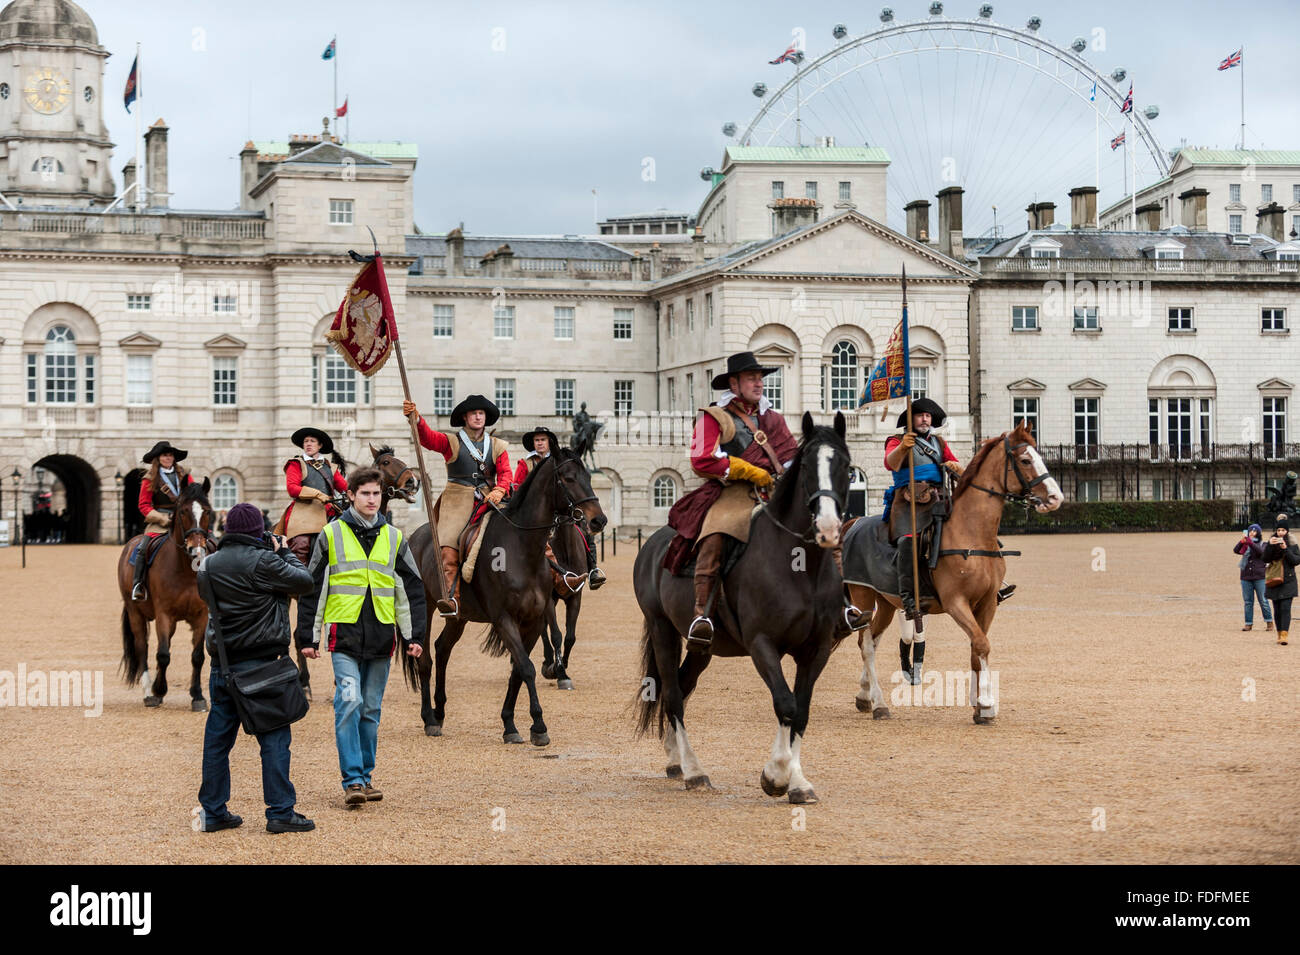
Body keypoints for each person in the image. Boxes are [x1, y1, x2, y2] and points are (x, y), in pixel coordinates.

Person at [295, 468, 427, 806]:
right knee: (349, 703)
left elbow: (411, 588)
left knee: (370, 710)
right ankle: (352, 779)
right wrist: (307, 637)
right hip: (344, 638)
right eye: (365, 493)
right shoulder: (331, 534)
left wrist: (415, 635)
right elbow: (312, 588)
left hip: (382, 638)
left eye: (377, 494)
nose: (372, 499)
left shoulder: (395, 537)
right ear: (351, 494)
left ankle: (366, 779)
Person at [664, 351, 799, 652]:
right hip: (732, 493)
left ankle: (836, 603)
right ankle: (702, 615)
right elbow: (701, 460)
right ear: (734, 383)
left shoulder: (773, 418)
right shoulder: (713, 416)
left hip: (773, 494)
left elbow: (789, 457)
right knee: (715, 536)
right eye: (752, 378)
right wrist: (747, 469)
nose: (758, 383)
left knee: (814, 528)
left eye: (760, 378)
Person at [196, 502, 316, 833]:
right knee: (275, 739)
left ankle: (212, 811)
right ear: (255, 532)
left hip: (222, 665)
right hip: (263, 666)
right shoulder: (265, 561)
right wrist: (283, 553)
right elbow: (305, 582)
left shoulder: (207, 564)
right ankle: (280, 812)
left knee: (217, 742)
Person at [402, 394, 511, 618]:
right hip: (457, 499)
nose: (478, 417)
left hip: (491, 497)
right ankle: (452, 597)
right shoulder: (452, 441)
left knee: (519, 528)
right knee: (449, 546)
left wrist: (500, 489)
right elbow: (429, 439)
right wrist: (417, 419)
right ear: (465, 417)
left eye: (481, 414)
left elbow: (506, 473)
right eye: (474, 414)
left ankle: (558, 576)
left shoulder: (498, 445)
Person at [516, 427, 606, 590]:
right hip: (536, 513)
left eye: (543, 440)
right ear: (533, 444)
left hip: (560, 510)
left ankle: (593, 570)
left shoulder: (558, 461)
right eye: (537, 440)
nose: (540, 443)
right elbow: (517, 487)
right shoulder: (525, 463)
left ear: (549, 443)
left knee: (584, 531)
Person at [131, 440, 196, 601]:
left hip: (184, 518)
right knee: (142, 548)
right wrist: (162, 518)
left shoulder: (185, 475)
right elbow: (143, 505)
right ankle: (138, 585)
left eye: (170, 455)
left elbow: (195, 496)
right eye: (164, 455)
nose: (168, 458)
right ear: (158, 458)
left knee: (207, 542)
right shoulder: (149, 478)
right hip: (160, 519)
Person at [281, 427, 349, 565]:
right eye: (306, 441)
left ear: (320, 445)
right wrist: (317, 494)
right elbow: (292, 489)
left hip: (329, 510)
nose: (308, 444)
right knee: (301, 544)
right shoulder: (296, 464)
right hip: (304, 511)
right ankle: (300, 572)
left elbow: (346, 488)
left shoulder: (330, 467)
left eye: (312, 441)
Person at [1263, 514, 1299, 646]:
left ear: (1287, 531)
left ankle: (1284, 634)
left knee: (1285, 608)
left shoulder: (1293, 544)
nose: (1281, 533)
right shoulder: (1271, 542)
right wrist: (1269, 546)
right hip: (1274, 579)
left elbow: (1296, 561)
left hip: (1288, 580)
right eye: (1278, 531)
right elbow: (1265, 559)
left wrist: (1286, 549)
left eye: (1283, 530)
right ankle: (1279, 633)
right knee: (1277, 609)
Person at [1233, 524, 1273, 632]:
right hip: (1245, 576)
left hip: (1260, 576)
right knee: (1248, 601)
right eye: (1250, 531)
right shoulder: (1245, 545)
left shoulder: (1263, 544)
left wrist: (1250, 543)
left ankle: (1269, 621)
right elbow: (1236, 550)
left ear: (1259, 533)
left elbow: (1261, 552)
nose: (1252, 533)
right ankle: (1248, 623)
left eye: (1255, 531)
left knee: (1263, 600)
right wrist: (1242, 542)